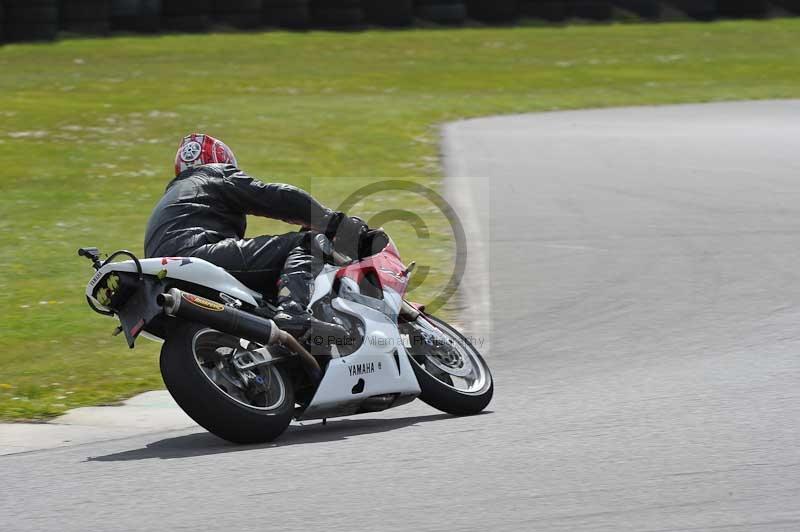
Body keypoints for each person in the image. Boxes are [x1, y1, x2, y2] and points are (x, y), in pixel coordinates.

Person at [144, 133, 367, 336]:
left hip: (165, 274)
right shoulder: (214, 174)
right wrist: (335, 222)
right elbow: (278, 198)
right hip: (197, 256)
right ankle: (294, 312)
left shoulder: (175, 196)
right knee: (308, 242)